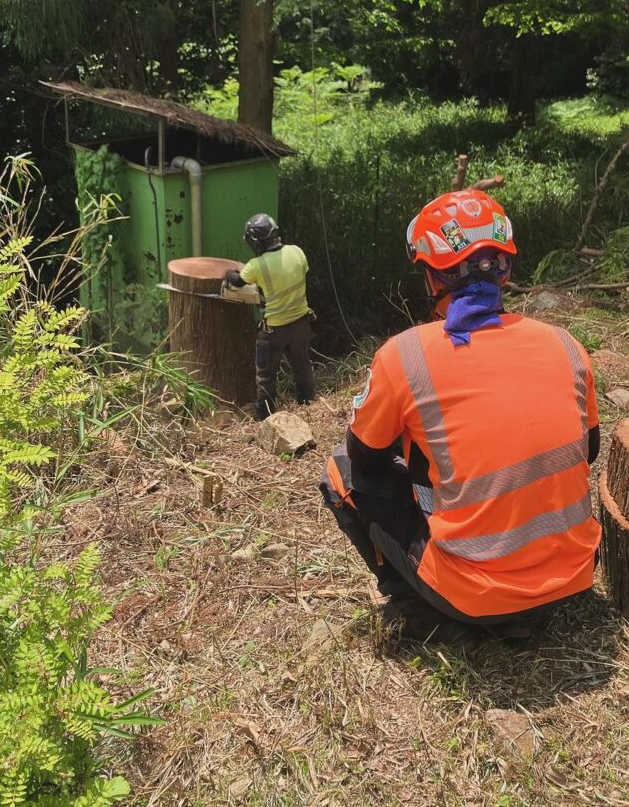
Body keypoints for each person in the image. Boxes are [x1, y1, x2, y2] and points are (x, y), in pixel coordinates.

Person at [320, 189, 602, 641]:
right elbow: (587, 451)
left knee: (341, 468)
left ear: (433, 280)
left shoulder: (404, 355)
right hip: (574, 576)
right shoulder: (565, 344)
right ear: (504, 269)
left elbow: (366, 457)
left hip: (476, 596)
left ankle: (418, 606)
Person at [226, 213, 315, 420]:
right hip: (301, 324)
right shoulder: (297, 252)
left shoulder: (257, 265)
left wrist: (228, 273)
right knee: (302, 367)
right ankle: (308, 407)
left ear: (256, 242)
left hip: (274, 330)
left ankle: (264, 417)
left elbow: (236, 282)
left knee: (266, 376)